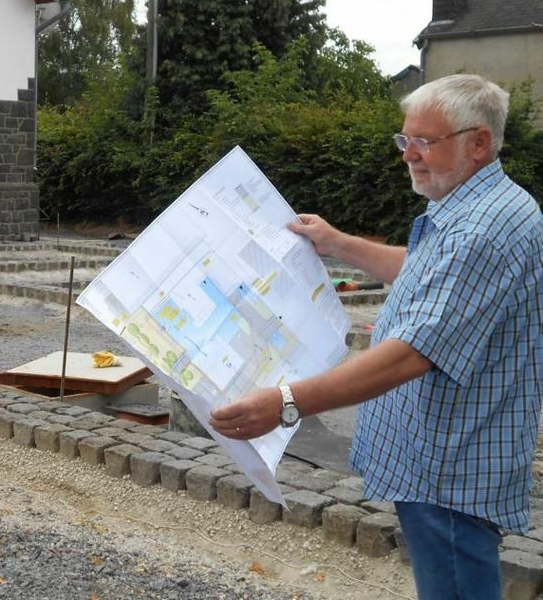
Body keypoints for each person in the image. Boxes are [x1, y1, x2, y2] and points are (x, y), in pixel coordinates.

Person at [209, 74, 542, 600]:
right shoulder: (474, 205)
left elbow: (409, 356)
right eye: (404, 140)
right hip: (442, 459)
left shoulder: (483, 228)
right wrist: (336, 242)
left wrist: (287, 402)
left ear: (478, 143)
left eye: (424, 143)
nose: (408, 155)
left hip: (449, 469)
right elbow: (424, 269)